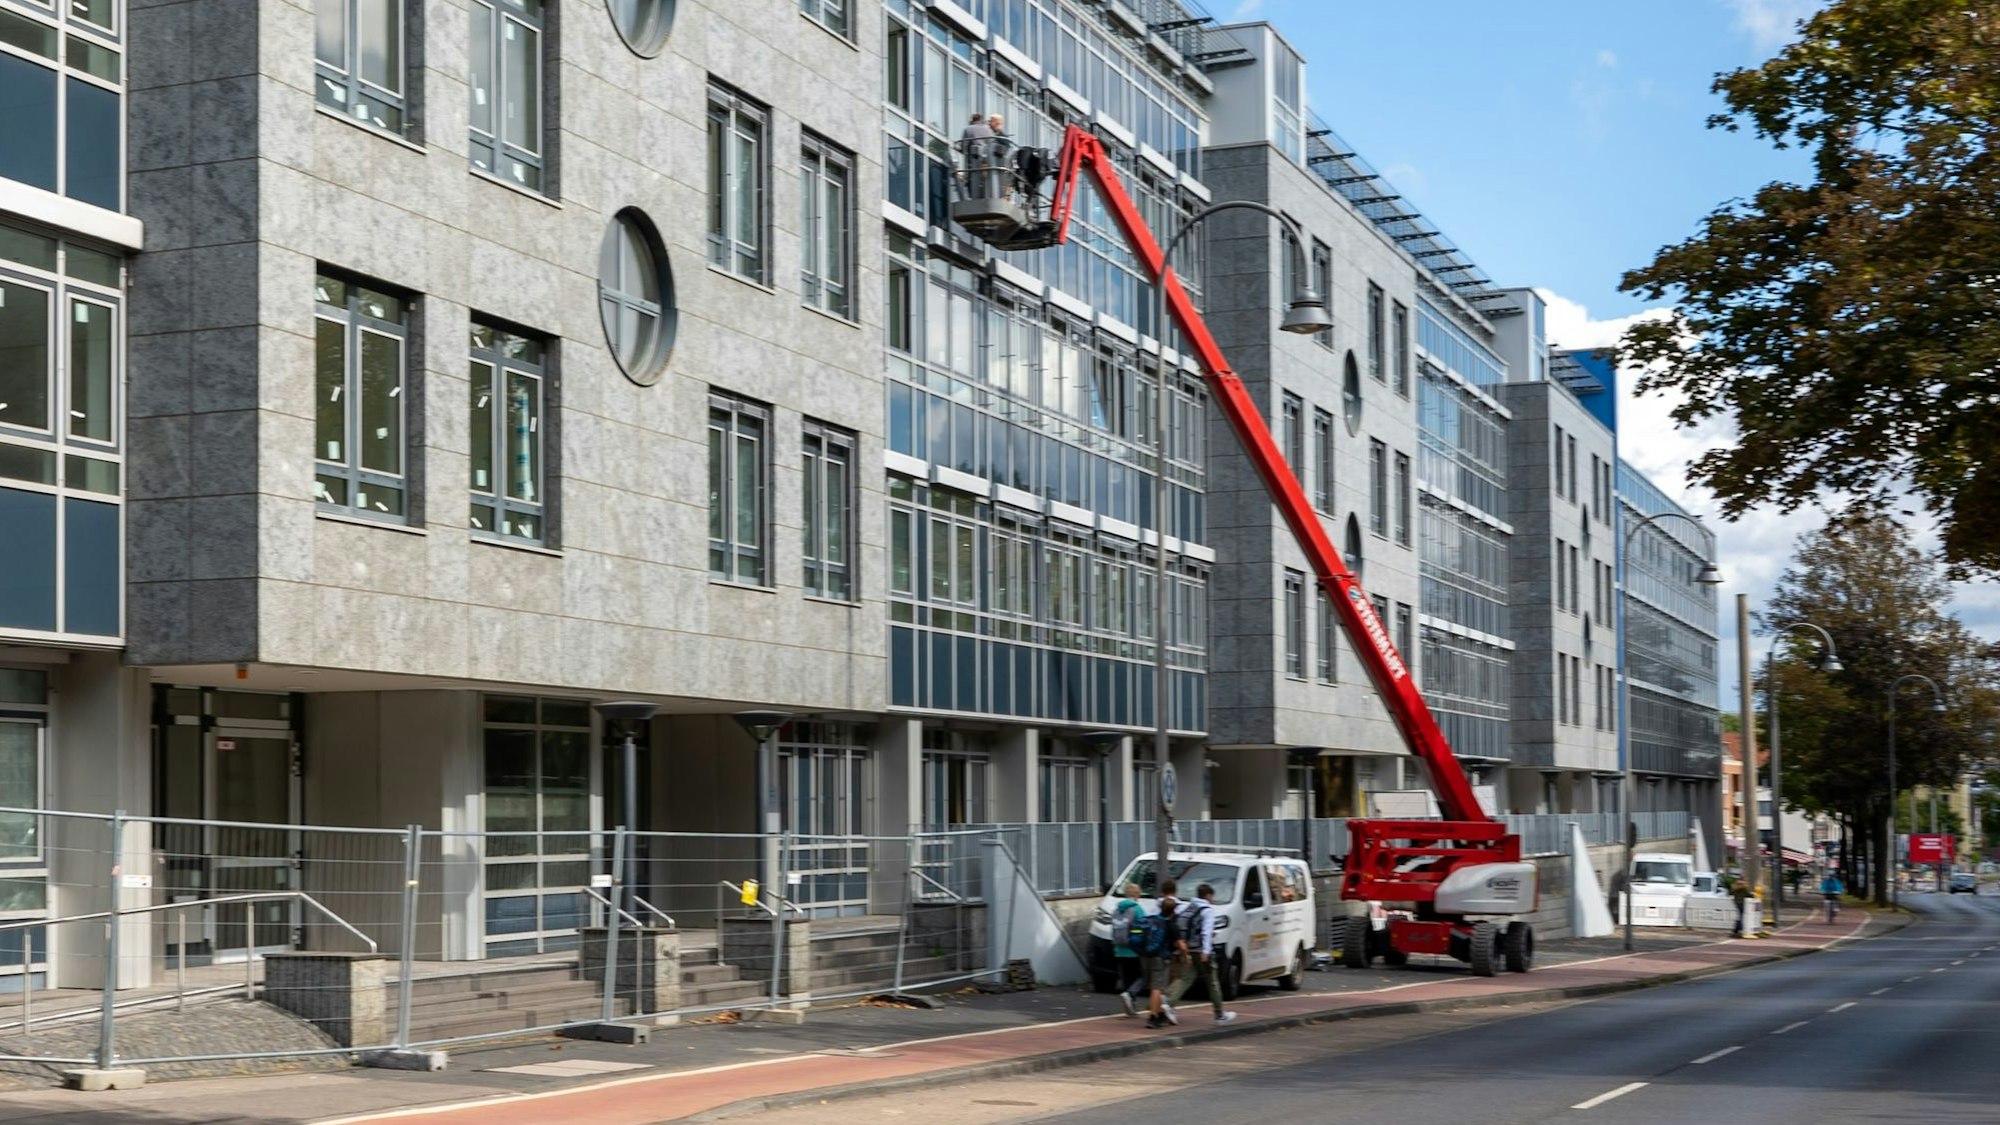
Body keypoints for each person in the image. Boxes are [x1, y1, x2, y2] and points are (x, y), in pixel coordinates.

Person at [1163, 883, 1237, 1023]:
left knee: (1186, 978)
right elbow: (1206, 932)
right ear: (1208, 895)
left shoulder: (1189, 907)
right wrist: (1206, 950)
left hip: (1189, 949)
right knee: (1213, 983)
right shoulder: (1207, 910)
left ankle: (1168, 1003)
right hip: (1202, 951)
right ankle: (1219, 1014)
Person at [1144, 879, 1181, 1029]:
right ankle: (1153, 1016)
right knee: (1157, 988)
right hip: (1162, 956)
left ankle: (1159, 1013)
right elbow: (1179, 942)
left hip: (1149, 954)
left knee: (1157, 986)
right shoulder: (1170, 923)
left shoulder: (1154, 914)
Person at [1109, 881, 1148, 1017]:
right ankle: (1131, 996)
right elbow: (1145, 928)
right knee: (1144, 976)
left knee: (1126, 978)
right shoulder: (1137, 909)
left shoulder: (1117, 909)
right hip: (1134, 949)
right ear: (1137, 894)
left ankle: (1130, 1007)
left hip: (1119, 949)